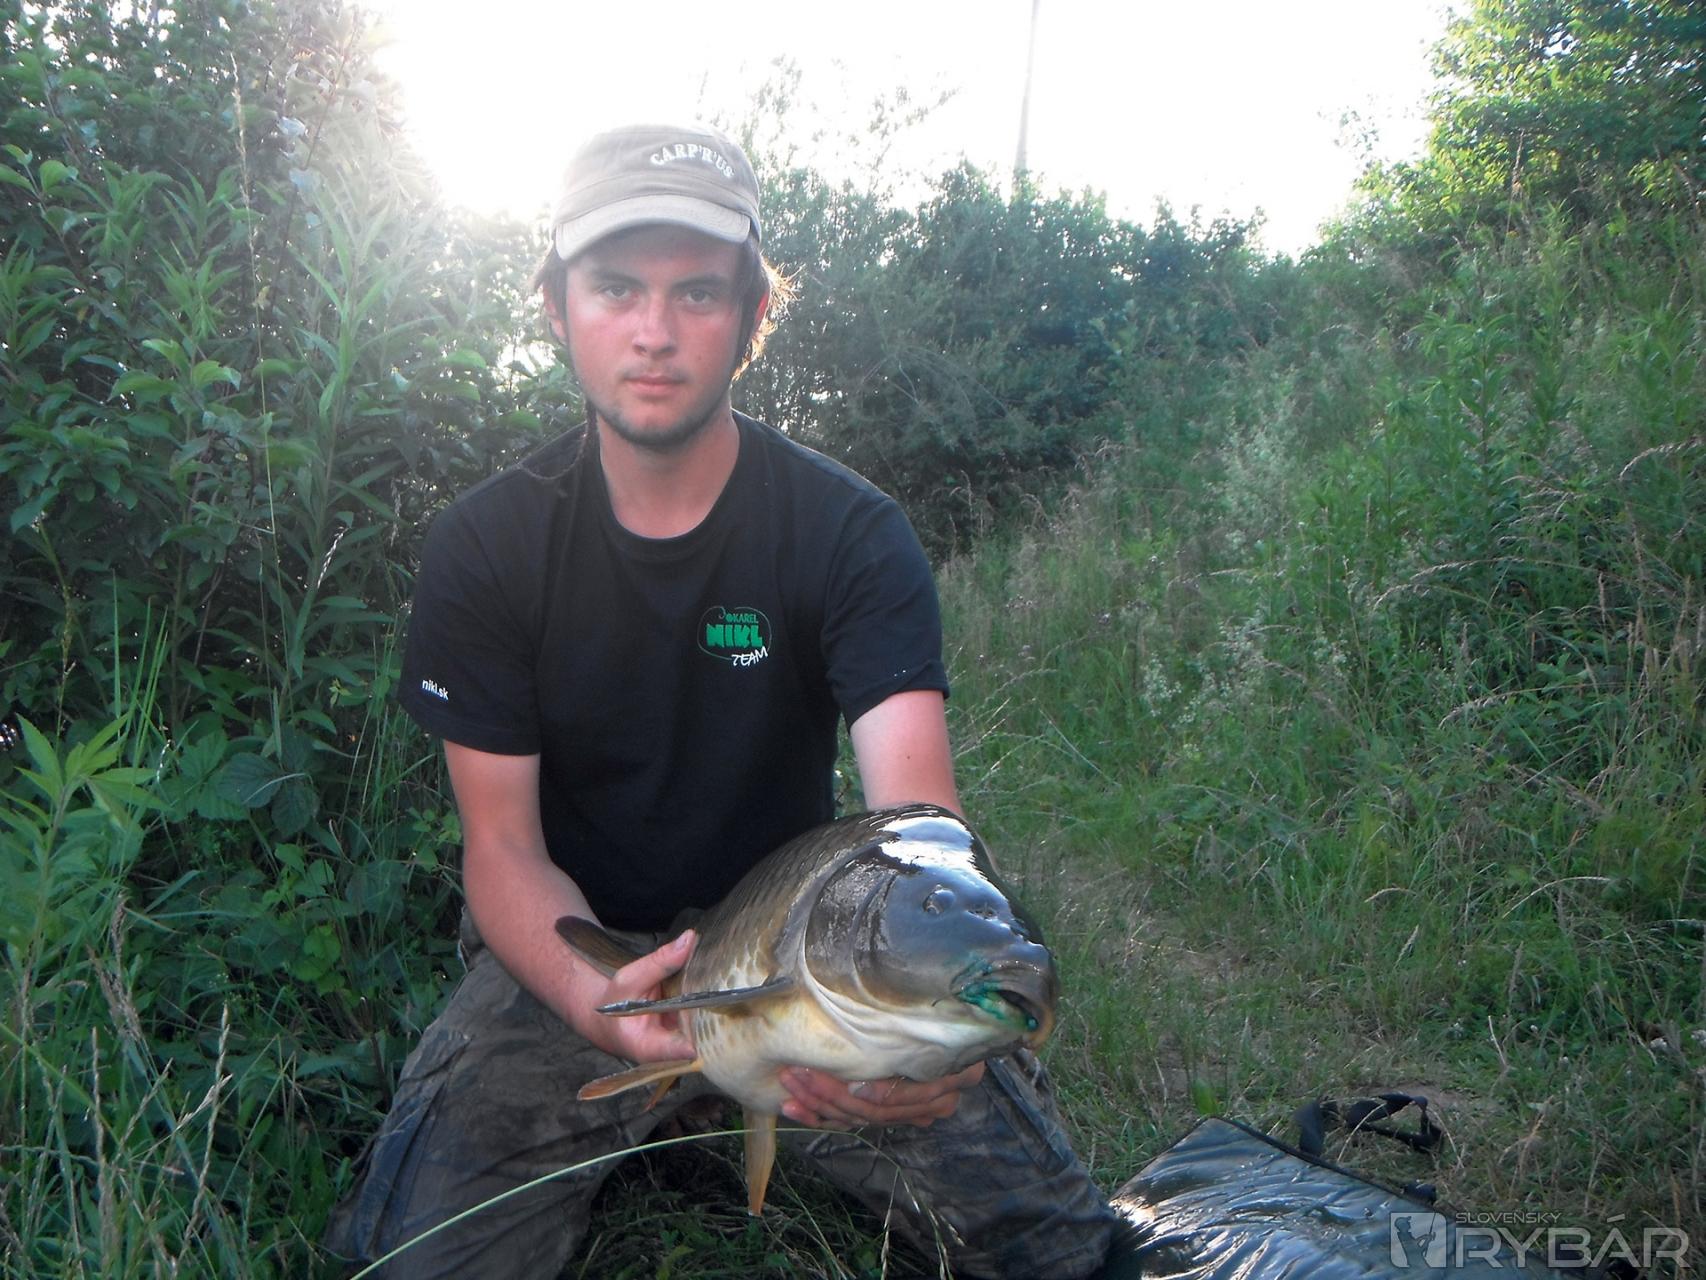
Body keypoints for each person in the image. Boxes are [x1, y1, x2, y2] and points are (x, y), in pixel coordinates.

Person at [323, 120, 1117, 1279]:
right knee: (410, 1263)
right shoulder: (487, 545)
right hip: (587, 945)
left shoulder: (851, 533)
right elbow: (501, 849)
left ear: (752, 313)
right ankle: (661, 1096)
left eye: (696, 291)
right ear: (557, 308)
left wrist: (916, 1049)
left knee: (1067, 1254)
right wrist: (597, 1001)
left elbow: (920, 827)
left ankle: (758, 1099)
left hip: (800, 952)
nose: (653, 331)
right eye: (615, 287)